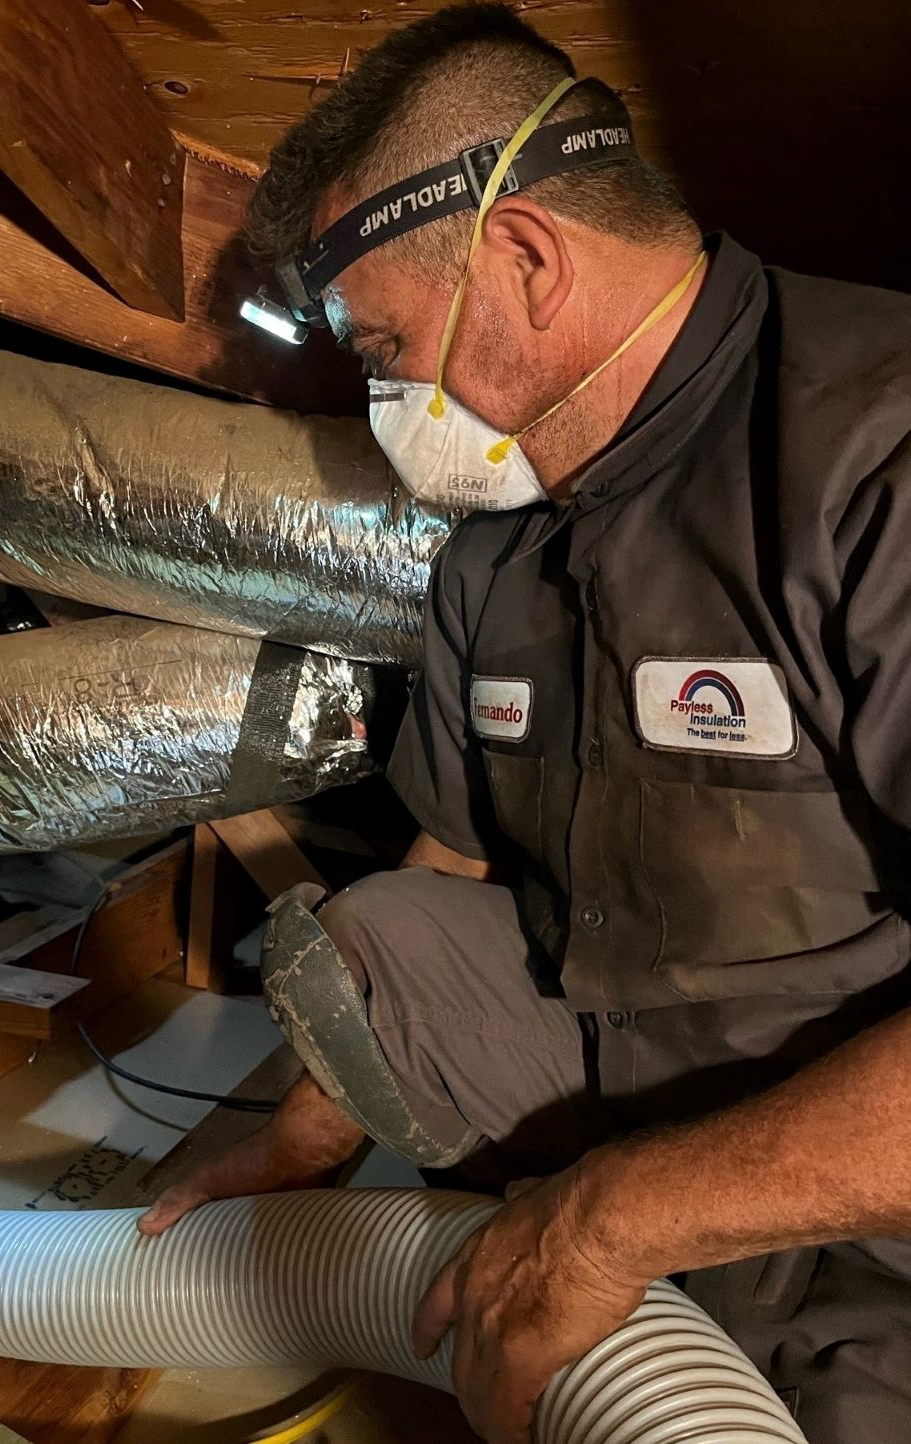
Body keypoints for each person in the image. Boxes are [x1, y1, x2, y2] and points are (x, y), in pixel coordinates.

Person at [141, 6, 911, 1442]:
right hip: (617, 1077)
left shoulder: (872, 449)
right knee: (367, 931)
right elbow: (449, 868)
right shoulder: (498, 545)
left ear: (526, 257)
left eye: (385, 346)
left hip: (866, 1172)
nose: (387, 401)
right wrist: (291, 1135)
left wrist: (609, 1224)